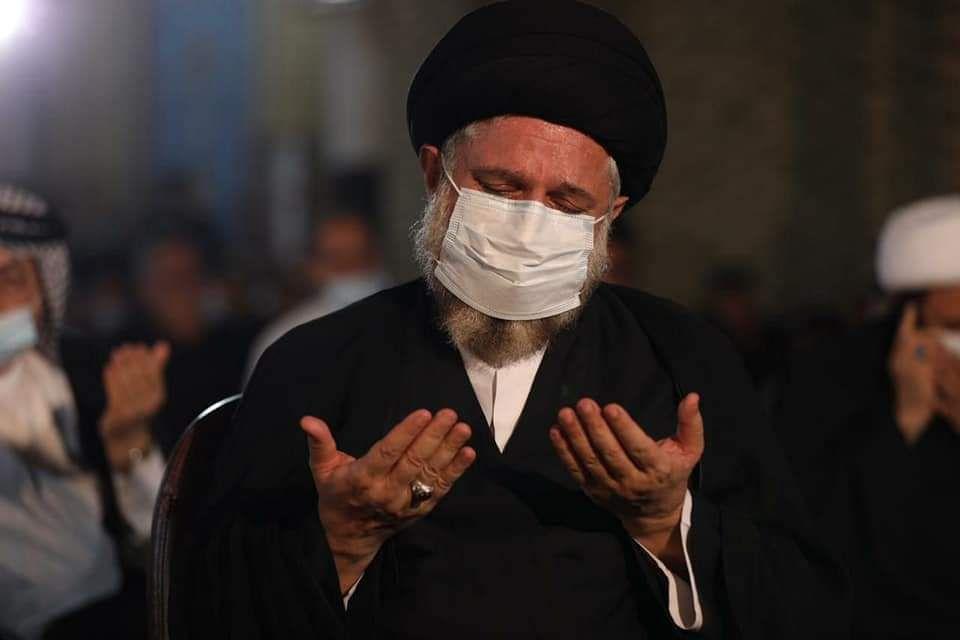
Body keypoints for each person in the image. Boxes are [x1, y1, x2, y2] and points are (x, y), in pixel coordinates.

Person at [185, 2, 846, 638]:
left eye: (567, 201)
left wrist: (668, 524)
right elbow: (212, 598)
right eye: (502, 188)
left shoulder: (683, 357)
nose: (530, 225)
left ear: (610, 216)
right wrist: (342, 539)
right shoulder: (314, 362)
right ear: (435, 175)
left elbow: (795, 595)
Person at [773, 195, 960, 639]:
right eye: (954, 325)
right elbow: (824, 530)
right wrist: (906, 421)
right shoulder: (833, 379)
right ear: (909, 319)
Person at [0, 184, 168, 639]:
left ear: (44, 290)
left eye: (10, 280)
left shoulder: (92, 376)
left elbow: (159, 538)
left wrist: (129, 443)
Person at [119, 219, 259, 454]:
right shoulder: (126, 355)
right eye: (167, 279)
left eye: (188, 276)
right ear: (144, 288)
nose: (180, 290)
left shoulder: (238, 346)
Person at [246, 213, 388, 376]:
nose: (352, 272)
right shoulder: (283, 339)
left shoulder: (409, 321)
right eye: (338, 260)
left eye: (360, 258)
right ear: (313, 267)